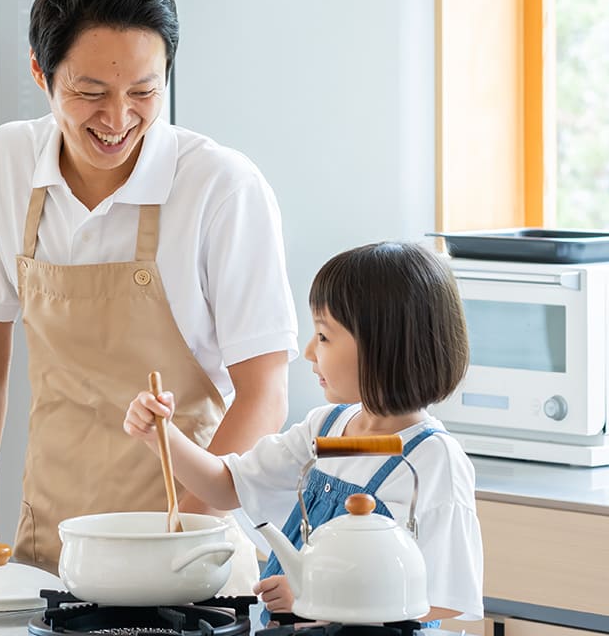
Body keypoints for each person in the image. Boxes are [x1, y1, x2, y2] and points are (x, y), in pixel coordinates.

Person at [0, 0, 300, 576]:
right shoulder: (7, 161)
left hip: (189, 551)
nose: (118, 120)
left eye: (144, 91)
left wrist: (187, 535)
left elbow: (265, 392)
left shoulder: (221, 187)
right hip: (53, 544)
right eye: (90, 93)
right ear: (41, 73)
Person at [124, 241, 484, 624]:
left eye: (325, 337)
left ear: (384, 347)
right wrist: (161, 435)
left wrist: (319, 597)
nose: (310, 351)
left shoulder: (432, 461)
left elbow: (447, 597)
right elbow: (226, 487)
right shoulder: (326, 430)